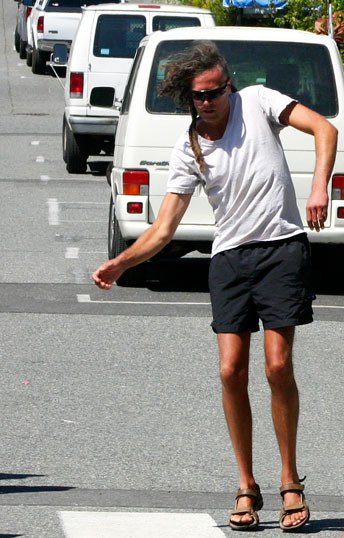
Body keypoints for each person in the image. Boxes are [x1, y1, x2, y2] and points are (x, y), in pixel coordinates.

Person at [92, 41, 337, 532]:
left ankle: (290, 479)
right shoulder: (189, 149)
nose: (209, 101)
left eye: (216, 92)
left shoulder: (259, 101)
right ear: (189, 97)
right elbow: (164, 229)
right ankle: (246, 482)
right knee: (230, 370)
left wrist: (319, 185)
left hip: (281, 247)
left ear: (229, 86)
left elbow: (324, 128)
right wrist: (121, 263)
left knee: (278, 365)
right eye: (200, 95)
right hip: (229, 258)